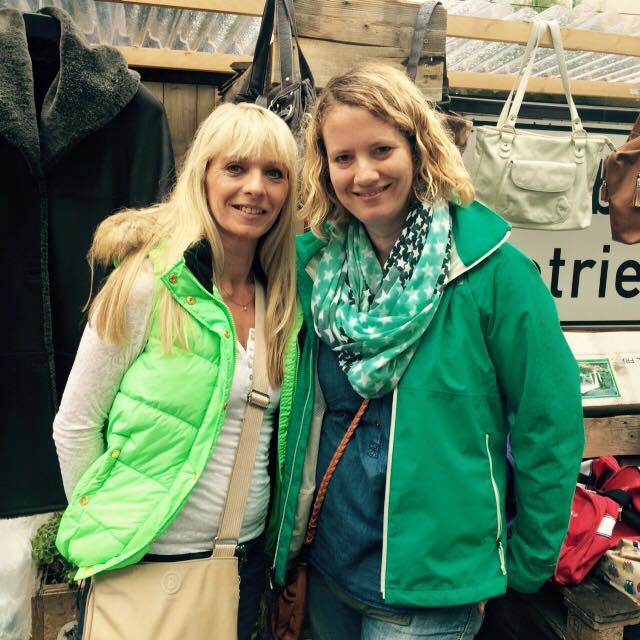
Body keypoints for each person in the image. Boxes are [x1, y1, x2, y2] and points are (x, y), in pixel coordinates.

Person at [269, 63, 584, 639]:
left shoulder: (494, 273)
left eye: (381, 150)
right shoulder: (317, 272)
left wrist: (527, 562)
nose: (364, 174)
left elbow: (549, 422)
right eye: (343, 157)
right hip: (331, 565)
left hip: (434, 587)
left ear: (418, 148)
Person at [52, 102, 301, 640]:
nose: (255, 188)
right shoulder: (145, 284)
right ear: (203, 176)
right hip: (142, 566)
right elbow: (75, 424)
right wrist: (107, 531)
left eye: (274, 173)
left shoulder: (283, 303)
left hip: (239, 566)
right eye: (235, 168)